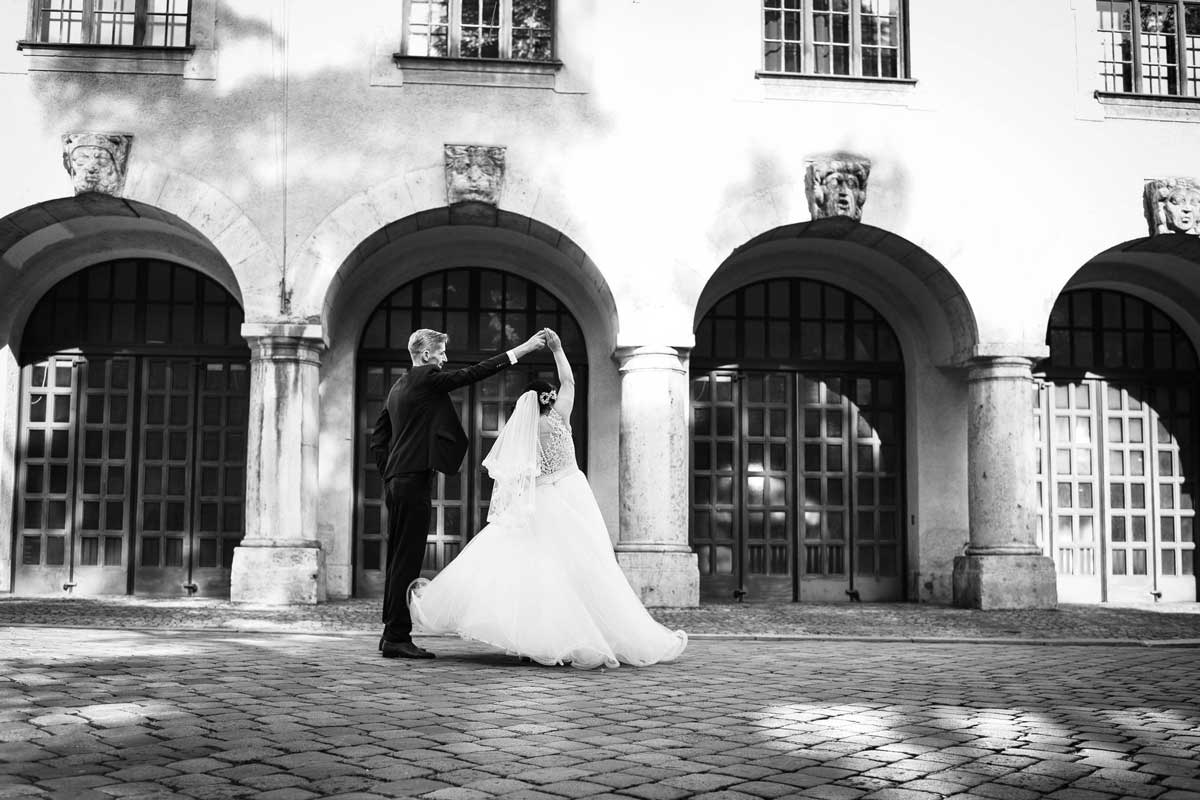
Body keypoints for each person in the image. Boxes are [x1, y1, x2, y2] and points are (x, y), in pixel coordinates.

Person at [408, 328, 687, 670]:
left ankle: (531, 639)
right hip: (571, 496)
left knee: (533, 571)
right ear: (549, 398)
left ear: (525, 403)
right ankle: (579, 636)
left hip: (537, 501)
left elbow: (517, 477)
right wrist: (557, 349)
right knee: (583, 568)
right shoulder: (560, 417)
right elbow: (569, 381)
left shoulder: (523, 432)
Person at [369, 327, 547, 659]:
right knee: (407, 560)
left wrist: (390, 472)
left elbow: (378, 438)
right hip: (411, 481)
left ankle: (390, 632)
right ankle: (396, 636)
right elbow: (474, 373)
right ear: (426, 355)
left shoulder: (398, 387)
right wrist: (523, 349)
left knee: (397, 558)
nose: (445, 359)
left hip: (397, 481)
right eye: (441, 353)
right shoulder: (426, 379)